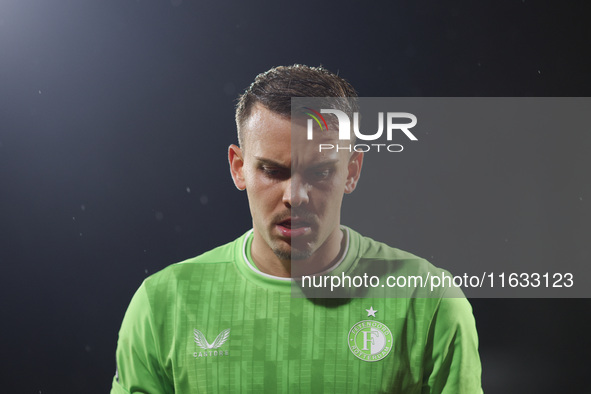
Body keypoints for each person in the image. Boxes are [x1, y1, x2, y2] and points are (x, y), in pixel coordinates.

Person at [111, 64, 482, 393]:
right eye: (272, 170)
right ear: (238, 167)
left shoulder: (428, 302)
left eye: (320, 172)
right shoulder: (163, 304)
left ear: (351, 171)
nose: (295, 196)